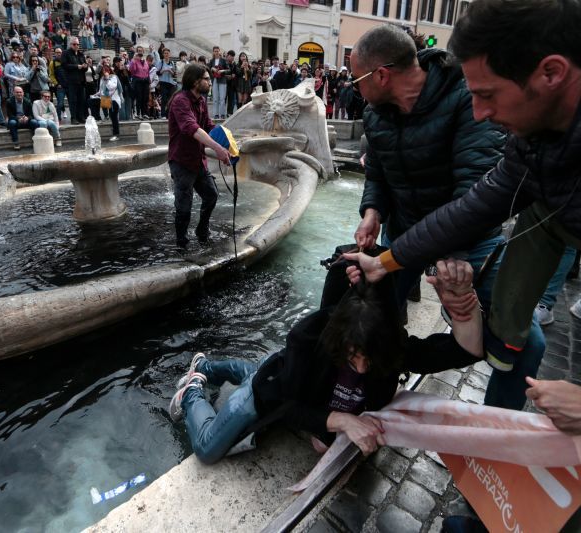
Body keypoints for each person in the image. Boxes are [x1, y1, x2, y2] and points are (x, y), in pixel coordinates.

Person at [346, 1, 581, 406]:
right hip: (413, 234)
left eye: (486, 95)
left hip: (463, 244)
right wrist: (378, 235)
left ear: (552, 73)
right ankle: (361, 397)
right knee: (367, 315)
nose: (480, 112)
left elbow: (471, 193)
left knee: (527, 343)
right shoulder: (531, 144)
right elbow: (473, 205)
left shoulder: (467, 105)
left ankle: (491, 443)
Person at [170, 257, 484, 464]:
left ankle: (209, 366)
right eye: (353, 358)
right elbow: (286, 405)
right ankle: (193, 388)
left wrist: (461, 305)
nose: (361, 369)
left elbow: (466, 350)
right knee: (208, 449)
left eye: (369, 362)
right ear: (339, 341)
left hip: (282, 371)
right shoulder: (308, 339)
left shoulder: (390, 347)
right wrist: (339, 420)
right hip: (271, 392)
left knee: (268, 368)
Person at [167, 63, 231, 249]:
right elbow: (192, 128)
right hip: (182, 162)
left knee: (211, 195)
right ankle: (181, 244)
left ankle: (202, 231)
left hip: (197, 161)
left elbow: (208, 126)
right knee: (184, 207)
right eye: (207, 79)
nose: (210, 83)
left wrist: (228, 141)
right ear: (195, 81)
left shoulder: (201, 101)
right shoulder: (180, 101)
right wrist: (217, 149)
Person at [60, 36, 85, 124]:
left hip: (81, 81)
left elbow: (83, 66)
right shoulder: (66, 53)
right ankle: (73, 118)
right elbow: (64, 65)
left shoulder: (81, 54)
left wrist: (85, 66)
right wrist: (76, 66)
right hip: (71, 81)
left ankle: (80, 117)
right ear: (70, 45)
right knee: (72, 100)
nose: (76, 46)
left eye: (78, 44)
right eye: (74, 44)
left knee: (81, 100)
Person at [5, 85, 37, 150]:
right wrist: (18, 119)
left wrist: (27, 118)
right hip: (16, 120)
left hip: (26, 120)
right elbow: (10, 115)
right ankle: (16, 143)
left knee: (34, 122)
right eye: (17, 92)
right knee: (12, 123)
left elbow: (32, 115)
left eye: (20, 92)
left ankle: (36, 140)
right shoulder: (9, 101)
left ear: (23, 93)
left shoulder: (28, 101)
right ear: (13, 93)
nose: (19, 94)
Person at [98, 64, 121, 141]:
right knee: (111, 116)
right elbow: (101, 89)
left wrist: (107, 79)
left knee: (114, 117)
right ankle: (114, 132)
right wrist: (97, 94)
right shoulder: (102, 78)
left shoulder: (113, 77)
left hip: (114, 100)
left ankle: (116, 134)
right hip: (106, 99)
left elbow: (112, 87)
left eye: (106, 71)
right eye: (103, 71)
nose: (104, 73)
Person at [127, 45, 150, 120]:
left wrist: (148, 80)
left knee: (145, 97)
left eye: (141, 51)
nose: (140, 52)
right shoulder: (134, 61)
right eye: (138, 51)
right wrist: (133, 60)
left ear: (143, 52)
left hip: (145, 81)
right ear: (136, 52)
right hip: (138, 81)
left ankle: (144, 113)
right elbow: (132, 71)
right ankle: (138, 113)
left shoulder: (145, 61)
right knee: (139, 97)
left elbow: (147, 71)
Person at [207, 47, 228, 119]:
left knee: (222, 98)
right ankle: (215, 114)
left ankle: (222, 114)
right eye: (215, 51)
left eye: (217, 51)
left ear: (219, 52)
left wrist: (222, 71)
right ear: (213, 52)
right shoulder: (211, 61)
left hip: (222, 80)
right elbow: (208, 69)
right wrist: (212, 68)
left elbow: (229, 70)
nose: (216, 52)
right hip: (215, 80)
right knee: (215, 98)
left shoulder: (223, 60)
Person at [156, 47, 175, 119]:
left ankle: (168, 114)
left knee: (170, 99)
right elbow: (157, 73)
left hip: (170, 83)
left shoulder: (172, 62)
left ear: (169, 54)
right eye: (165, 53)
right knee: (164, 98)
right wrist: (163, 71)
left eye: (167, 53)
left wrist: (171, 71)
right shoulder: (160, 62)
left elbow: (174, 74)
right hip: (163, 82)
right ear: (163, 54)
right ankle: (163, 114)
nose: (166, 55)